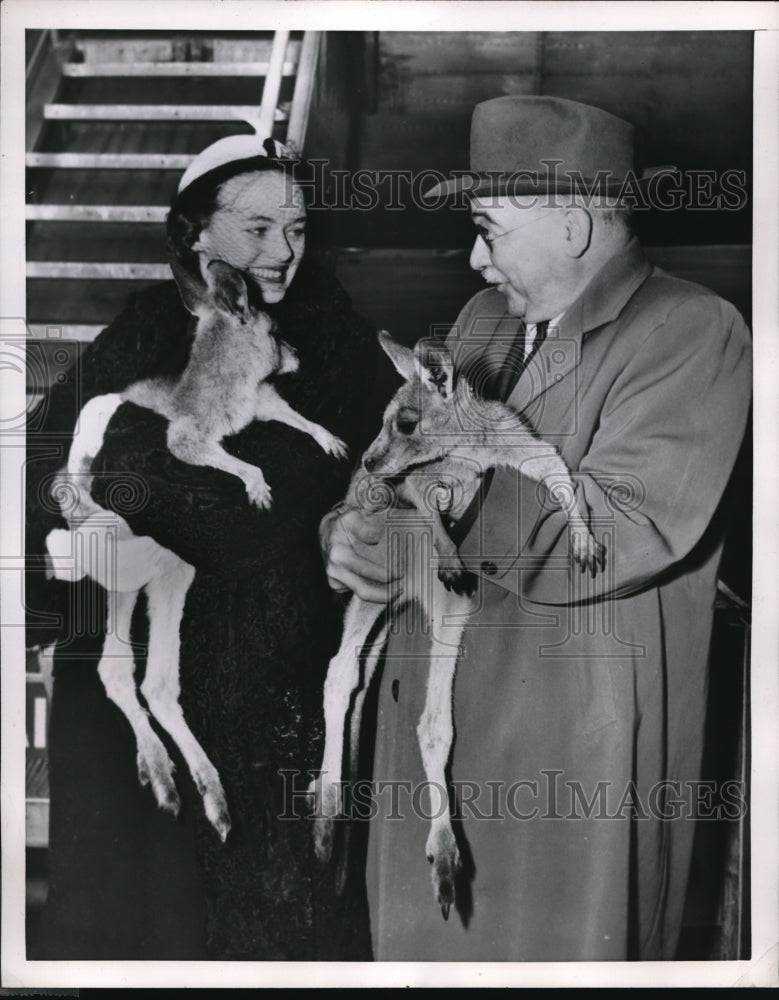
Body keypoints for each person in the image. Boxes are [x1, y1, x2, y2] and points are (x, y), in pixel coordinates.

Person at [321, 96, 752, 961]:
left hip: (557, 771)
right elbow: (388, 460)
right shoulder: (481, 326)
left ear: (573, 228)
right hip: (431, 756)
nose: (474, 259)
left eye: (487, 229)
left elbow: (611, 533)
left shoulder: (691, 332)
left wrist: (439, 492)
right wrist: (347, 532)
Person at [25, 132, 389, 960]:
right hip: (128, 688)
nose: (284, 251)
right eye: (256, 229)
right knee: (136, 928)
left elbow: (242, 519)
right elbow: (44, 472)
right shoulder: (145, 323)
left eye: (296, 229)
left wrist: (117, 450)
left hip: (263, 693)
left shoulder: (332, 344)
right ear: (196, 234)